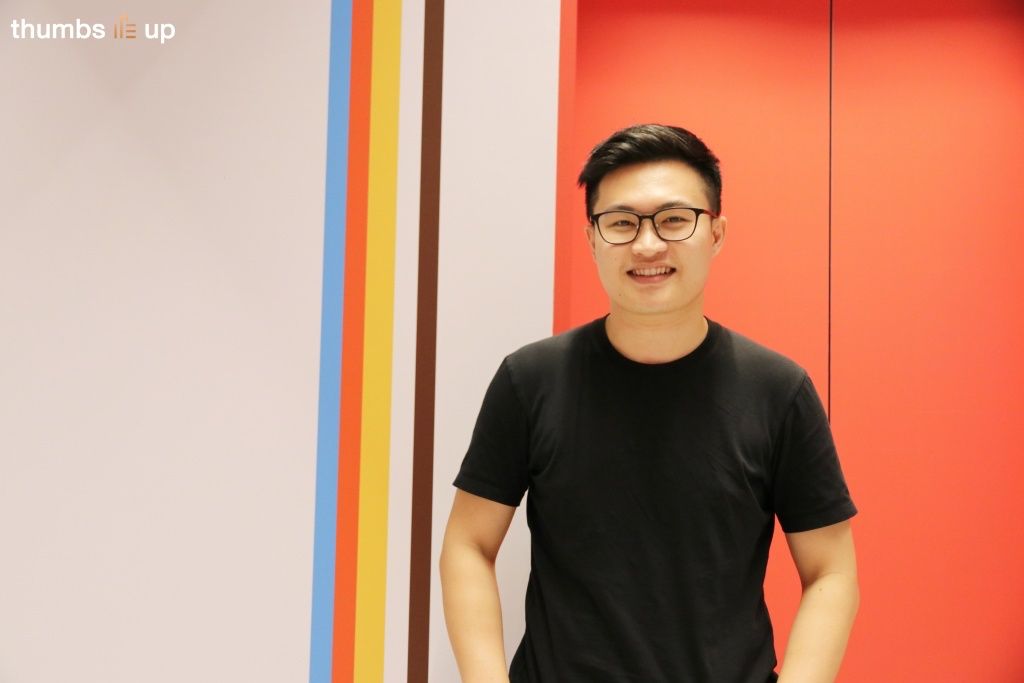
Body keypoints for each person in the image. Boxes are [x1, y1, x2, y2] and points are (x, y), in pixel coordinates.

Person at [440, 124, 858, 683]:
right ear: (592, 239)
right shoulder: (531, 380)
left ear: (716, 233)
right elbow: (469, 543)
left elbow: (831, 570)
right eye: (620, 222)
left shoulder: (778, 391)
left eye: (674, 219)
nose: (647, 245)